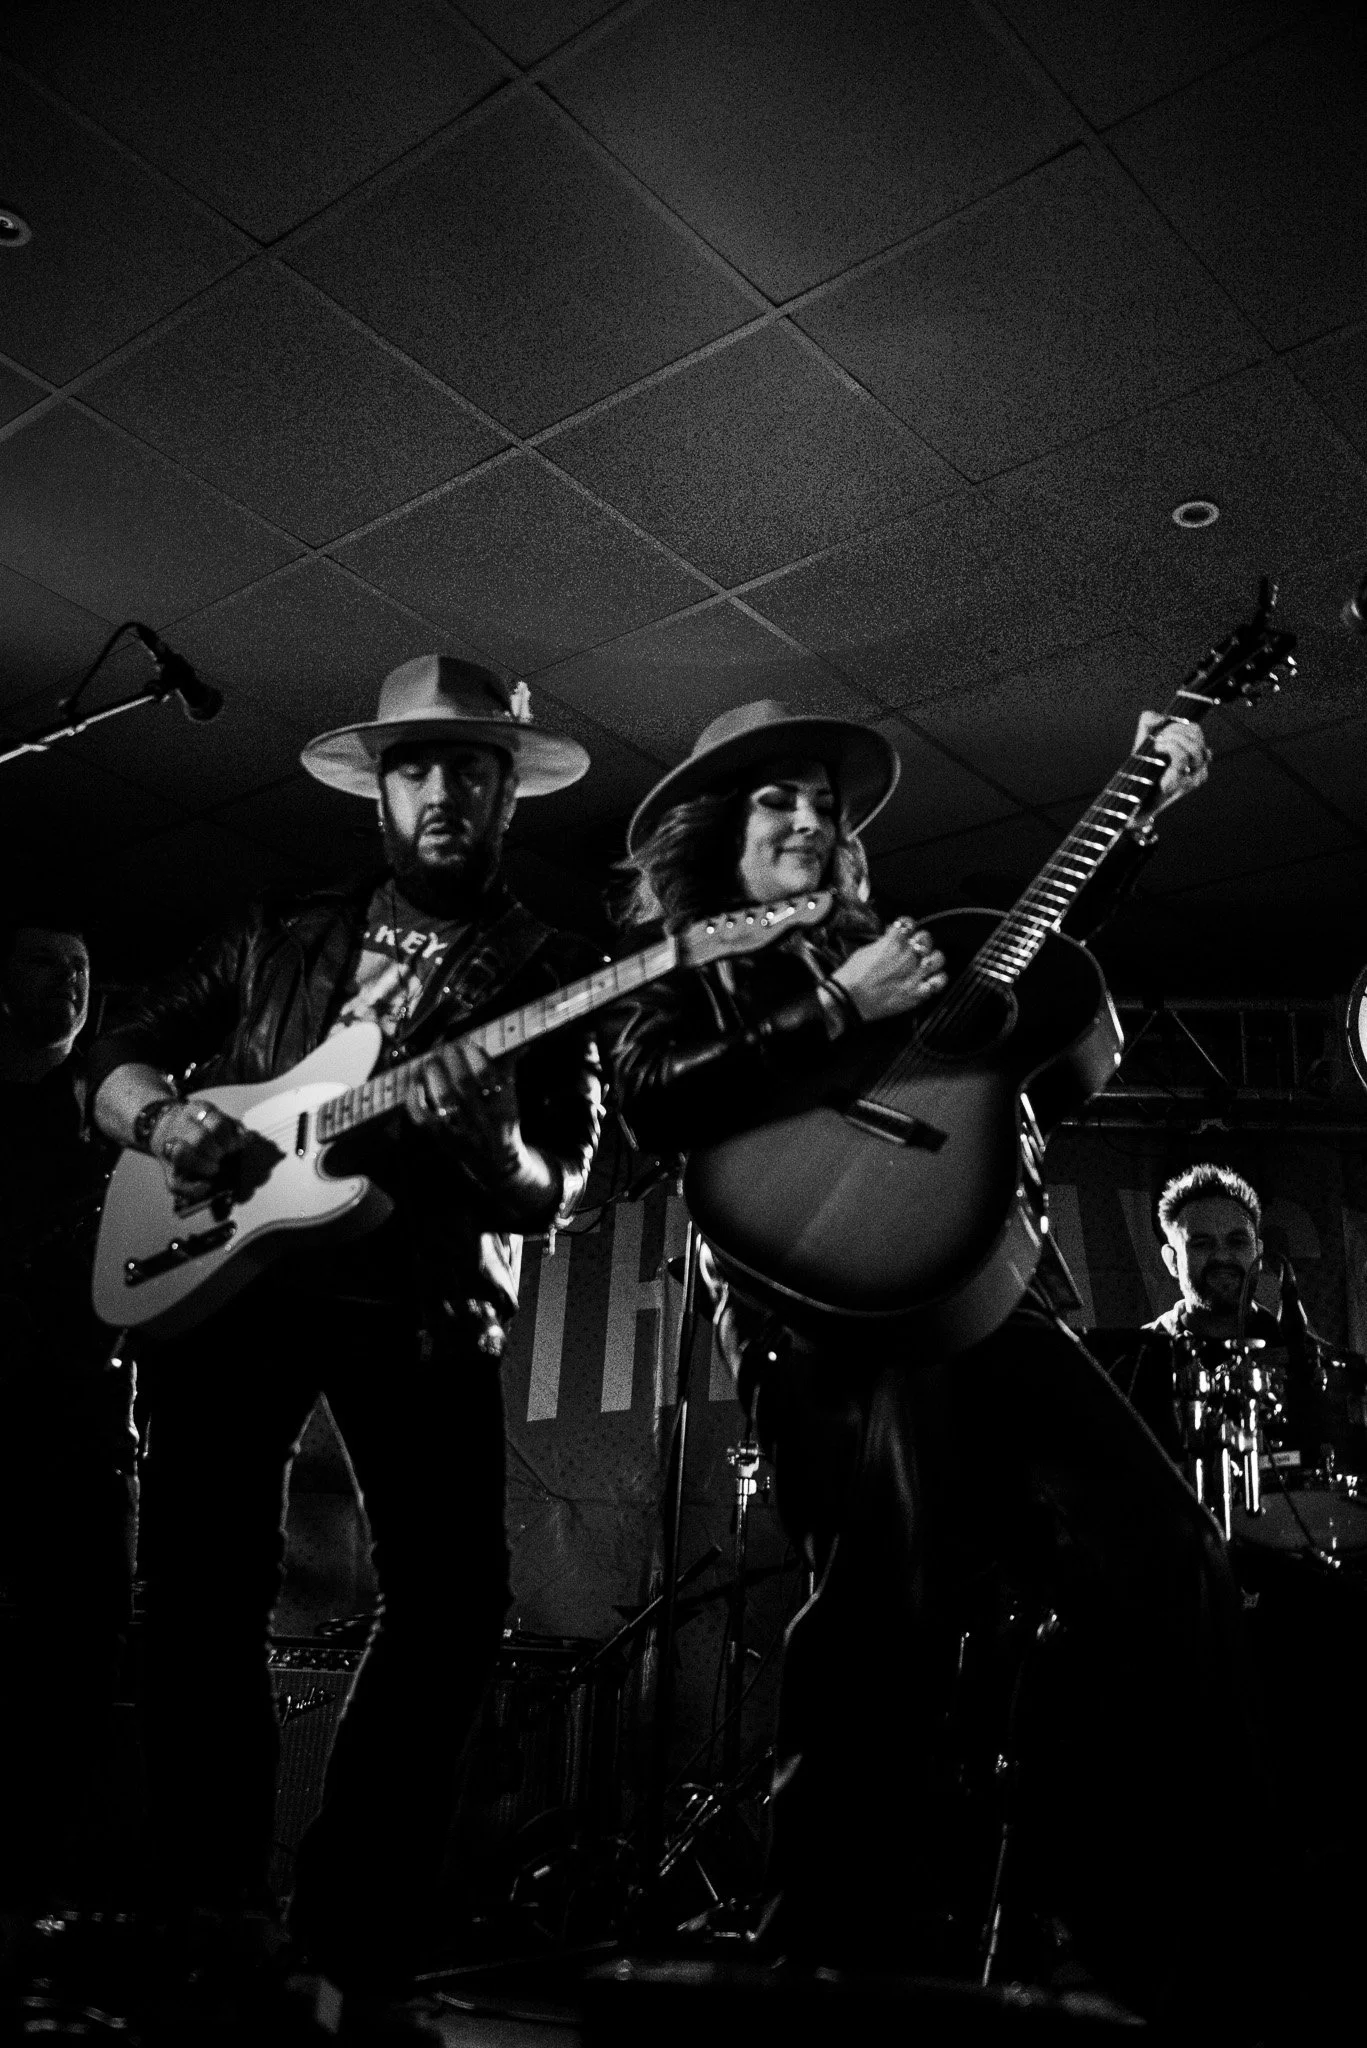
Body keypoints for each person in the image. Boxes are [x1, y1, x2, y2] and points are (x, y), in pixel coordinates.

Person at [609, 698, 1263, 2022]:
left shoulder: (914, 953)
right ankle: (817, 1947)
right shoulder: (683, 963)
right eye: (769, 802)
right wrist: (825, 1010)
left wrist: (1132, 810)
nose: (805, 820)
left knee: (1162, 1556)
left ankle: (1114, 1923)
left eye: (819, 802)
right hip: (816, 1305)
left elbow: (1049, 962)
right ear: (713, 838)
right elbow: (650, 1099)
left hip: (988, 1288)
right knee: (882, 1599)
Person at [87, 658, 603, 2015]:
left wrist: (487, 1139)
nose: (443, 791)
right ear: (378, 789)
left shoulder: (554, 970)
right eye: (416, 767)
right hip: (227, 1284)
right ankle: (212, 1910)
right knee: (195, 1595)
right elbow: (126, 1047)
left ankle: (353, 1924)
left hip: (419, 1305)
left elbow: (567, 1184)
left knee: (450, 1607)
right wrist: (165, 1119)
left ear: (507, 793)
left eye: (471, 769)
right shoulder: (278, 928)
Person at [0, 915, 136, 1913]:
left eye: (84, 966)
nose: (72, 980)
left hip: (85, 1408)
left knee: (80, 1649)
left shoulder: (107, 1099)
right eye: (48, 962)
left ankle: (47, 1889)